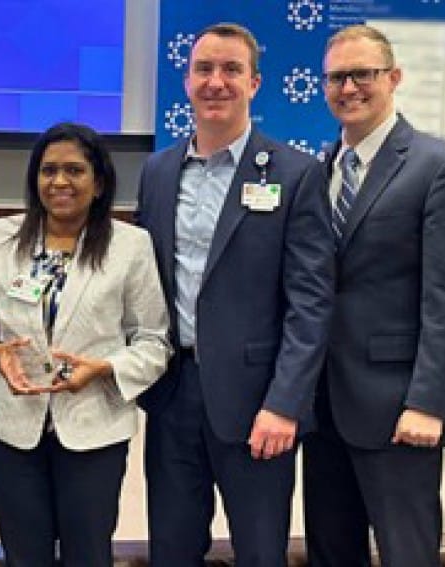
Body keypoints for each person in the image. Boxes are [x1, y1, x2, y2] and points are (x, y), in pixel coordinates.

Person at [135, 22, 335, 566]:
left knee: (260, 552)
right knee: (172, 550)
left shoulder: (296, 174)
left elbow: (311, 303)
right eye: (204, 69)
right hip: (172, 394)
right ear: (187, 80)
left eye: (231, 70)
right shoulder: (157, 171)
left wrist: (285, 404)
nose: (216, 82)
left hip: (258, 404)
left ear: (254, 83)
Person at [0, 122, 171, 565]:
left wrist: (104, 368)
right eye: (48, 170)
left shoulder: (131, 246)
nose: (59, 181)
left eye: (74, 170)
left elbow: (154, 341)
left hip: (95, 428)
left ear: (99, 183)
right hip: (13, 428)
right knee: (24, 554)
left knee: (87, 554)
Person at [302, 24, 445, 567]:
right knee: (330, 552)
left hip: (399, 410)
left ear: (393, 78)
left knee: (406, 554)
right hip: (322, 406)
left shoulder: (438, 165)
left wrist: (430, 402)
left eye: (362, 74)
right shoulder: (315, 169)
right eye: (336, 78)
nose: (348, 88)